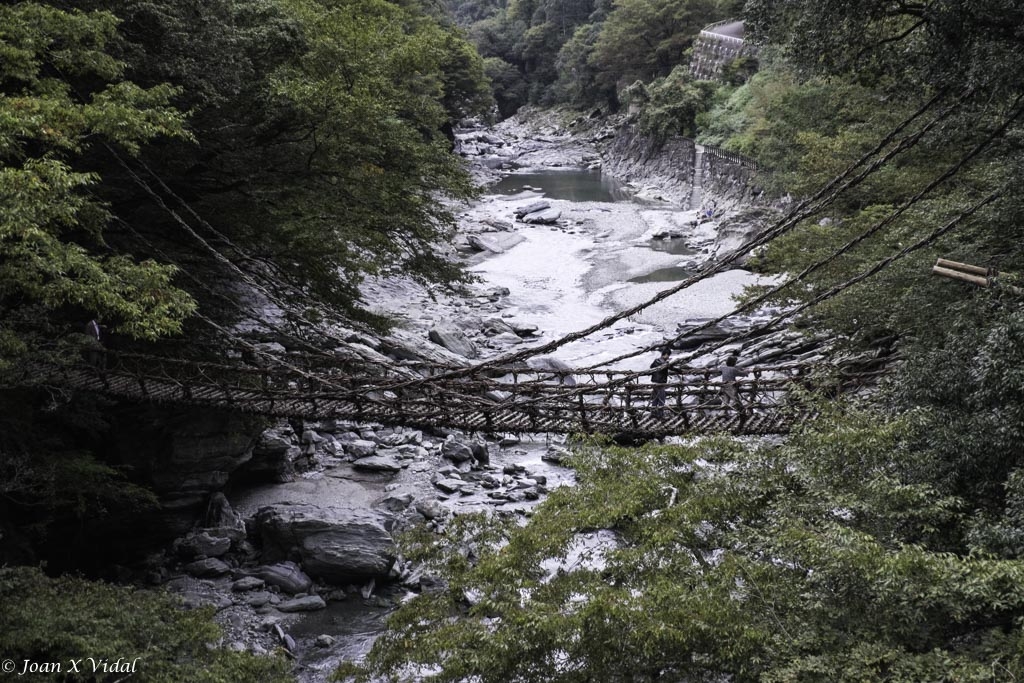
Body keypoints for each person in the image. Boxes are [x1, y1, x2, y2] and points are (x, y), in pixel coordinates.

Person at [649, 348, 671, 418]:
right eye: (668, 355)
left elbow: (651, 367)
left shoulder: (656, 361)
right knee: (662, 398)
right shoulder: (665, 363)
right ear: (666, 354)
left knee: (655, 398)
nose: (668, 357)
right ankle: (660, 414)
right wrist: (679, 371)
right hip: (660, 382)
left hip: (654, 382)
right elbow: (672, 368)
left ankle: (653, 413)